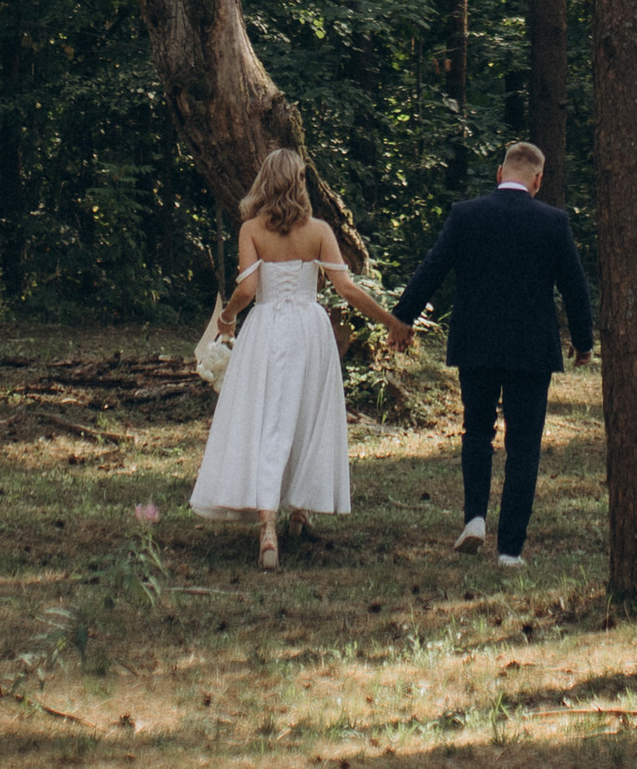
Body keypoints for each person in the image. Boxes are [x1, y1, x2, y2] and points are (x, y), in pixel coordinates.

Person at [384, 139, 592, 569]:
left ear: (500, 174)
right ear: (538, 180)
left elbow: (432, 268)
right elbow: (574, 286)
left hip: (476, 342)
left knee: (476, 430)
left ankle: (474, 519)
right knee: (524, 445)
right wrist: (584, 340)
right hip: (532, 348)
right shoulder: (554, 222)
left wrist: (400, 319)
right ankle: (510, 549)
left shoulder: (466, 215)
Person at [190, 147, 396, 569]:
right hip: (308, 329)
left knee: (269, 419)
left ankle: (268, 526)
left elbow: (247, 291)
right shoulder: (318, 230)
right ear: (299, 183)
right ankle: (299, 511)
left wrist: (227, 318)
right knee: (307, 415)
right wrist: (390, 320)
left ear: (265, 183)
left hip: (266, 328)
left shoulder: (252, 229)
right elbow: (347, 289)